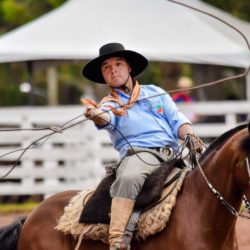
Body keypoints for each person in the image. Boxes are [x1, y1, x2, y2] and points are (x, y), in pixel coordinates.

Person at [82, 42, 202, 250]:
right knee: (129, 177)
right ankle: (118, 239)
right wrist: (95, 115)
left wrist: (190, 135)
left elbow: (177, 120)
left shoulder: (155, 92)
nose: (113, 70)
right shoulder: (110, 103)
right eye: (106, 67)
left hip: (174, 154)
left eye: (118, 64)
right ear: (103, 75)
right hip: (140, 155)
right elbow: (106, 118)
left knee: (216, 167)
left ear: (129, 67)